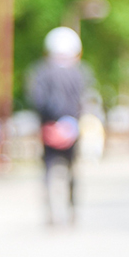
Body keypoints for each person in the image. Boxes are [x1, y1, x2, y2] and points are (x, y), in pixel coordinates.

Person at [27, 26, 94, 226]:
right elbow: (86, 101)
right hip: (72, 128)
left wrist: (51, 122)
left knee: (48, 170)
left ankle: (51, 212)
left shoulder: (40, 71)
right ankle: (72, 209)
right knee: (72, 170)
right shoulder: (81, 72)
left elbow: (36, 99)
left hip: (48, 127)